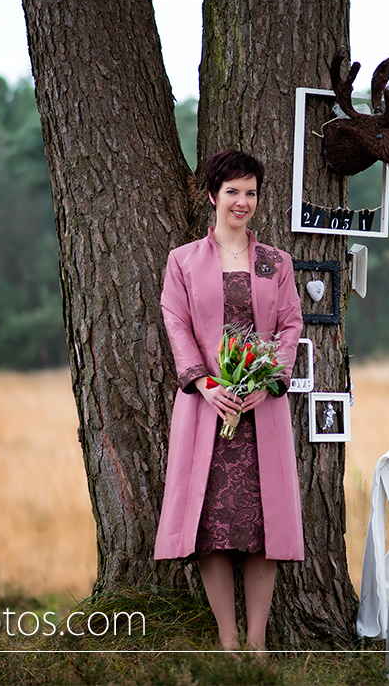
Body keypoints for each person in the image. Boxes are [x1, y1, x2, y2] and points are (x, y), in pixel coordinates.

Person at [153, 149, 304, 652]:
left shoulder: (275, 262)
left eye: (251, 192)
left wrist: (269, 382)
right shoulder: (184, 261)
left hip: (263, 410)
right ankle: (228, 640)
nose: (242, 202)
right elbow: (176, 322)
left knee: (265, 526)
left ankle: (258, 643)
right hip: (206, 409)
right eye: (233, 191)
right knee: (209, 524)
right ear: (213, 195)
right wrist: (205, 385)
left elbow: (289, 325)